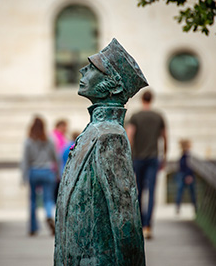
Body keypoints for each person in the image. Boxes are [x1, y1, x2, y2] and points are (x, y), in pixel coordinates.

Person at [54, 38, 147, 266]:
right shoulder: (94, 131)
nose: (82, 70)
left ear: (113, 85)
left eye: (94, 67)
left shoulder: (110, 136)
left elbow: (126, 221)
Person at [126, 89, 167, 240]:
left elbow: (130, 136)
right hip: (153, 157)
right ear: (152, 99)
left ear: (142, 99)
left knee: (138, 191)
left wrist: (129, 155)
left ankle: (141, 223)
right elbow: (164, 137)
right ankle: (148, 226)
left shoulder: (135, 116)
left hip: (138, 158)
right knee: (151, 192)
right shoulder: (158, 116)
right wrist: (164, 156)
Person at [21, 116, 58, 236]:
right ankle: (48, 216)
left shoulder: (28, 141)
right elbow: (55, 157)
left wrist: (23, 177)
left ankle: (33, 228)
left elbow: (25, 160)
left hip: (34, 170)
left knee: (32, 200)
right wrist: (58, 173)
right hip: (47, 171)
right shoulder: (49, 139)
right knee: (48, 198)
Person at [176, 139, 197, 214]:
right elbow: (188, 167)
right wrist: (188, 176)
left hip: (184, 175)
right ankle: (194, 207)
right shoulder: (186, 156)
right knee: (187, 192)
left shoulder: (184, 156)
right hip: (186, 175)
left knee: (182, 192)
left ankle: (179, 207)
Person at [51, 120, 69, 200]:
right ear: (60, 126)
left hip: (59, 166)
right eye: (65, 127)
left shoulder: (62, 137)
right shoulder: (54, 137)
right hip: (55, 167)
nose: (66, 129)